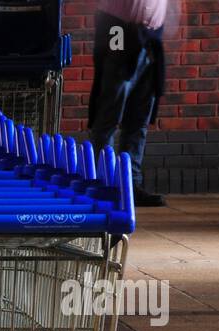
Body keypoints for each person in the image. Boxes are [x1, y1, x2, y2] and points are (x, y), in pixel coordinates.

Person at [89, 0, 169, 207]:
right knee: (108, 116)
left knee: (139, 120)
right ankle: (103, 184)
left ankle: (130, 186)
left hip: (151, 37)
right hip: (119, 31)